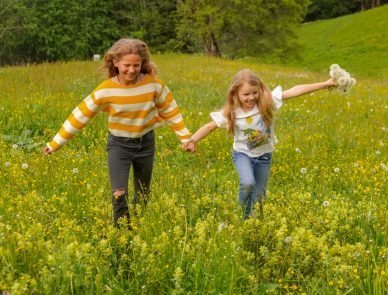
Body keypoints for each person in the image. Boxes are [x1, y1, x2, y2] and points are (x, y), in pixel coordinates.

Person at [43, 38, 195, 227]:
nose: (131, 70)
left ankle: (138, 226)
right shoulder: (106, 90)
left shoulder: (153, 85)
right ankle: (123, 231)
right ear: (115, 62)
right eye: (127, 65)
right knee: (119, 191)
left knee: (143, 191)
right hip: (119, 146)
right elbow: (81, 115)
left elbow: (171, 111)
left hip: (146, 143)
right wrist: (55, 143)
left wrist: (186, 138)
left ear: (142, 63)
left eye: (136, 65)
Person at [190, 69, 336, 219]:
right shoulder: (232, 112)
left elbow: (294, 91)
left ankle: (248, 220)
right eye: (246, 94)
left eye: (254, 92)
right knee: (247, 183)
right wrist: (192, 140)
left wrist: (325, 84)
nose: (251, 97)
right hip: (243, 155)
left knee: (259, 196)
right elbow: (209, 126)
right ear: (235, 93)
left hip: (264, 157)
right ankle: (239, 213)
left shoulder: (266, 102)